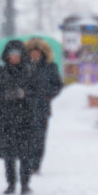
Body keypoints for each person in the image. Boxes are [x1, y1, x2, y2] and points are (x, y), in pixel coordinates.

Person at [0, 39, 36, 195]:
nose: (14, 58)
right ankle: (11, 183)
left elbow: (37, 93)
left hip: (25, 118)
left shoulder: (29, 72)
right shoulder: (0, 72)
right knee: (9, 154)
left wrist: (24, 95)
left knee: (25, 154)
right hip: (5, 119)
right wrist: (5, 95)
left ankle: (25, 183)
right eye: (11, 55)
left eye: (17, 55)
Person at [23, 37, 62, 175]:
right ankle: (25, 162)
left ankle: (35, 164)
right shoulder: (22, 67)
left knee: (39, 137)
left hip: (42, 108)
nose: (34, 55)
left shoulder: (50, 67)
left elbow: (57, 85)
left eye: (37, 52)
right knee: (25, 136)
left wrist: (46, 95)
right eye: (32, 52)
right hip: (24, 108)